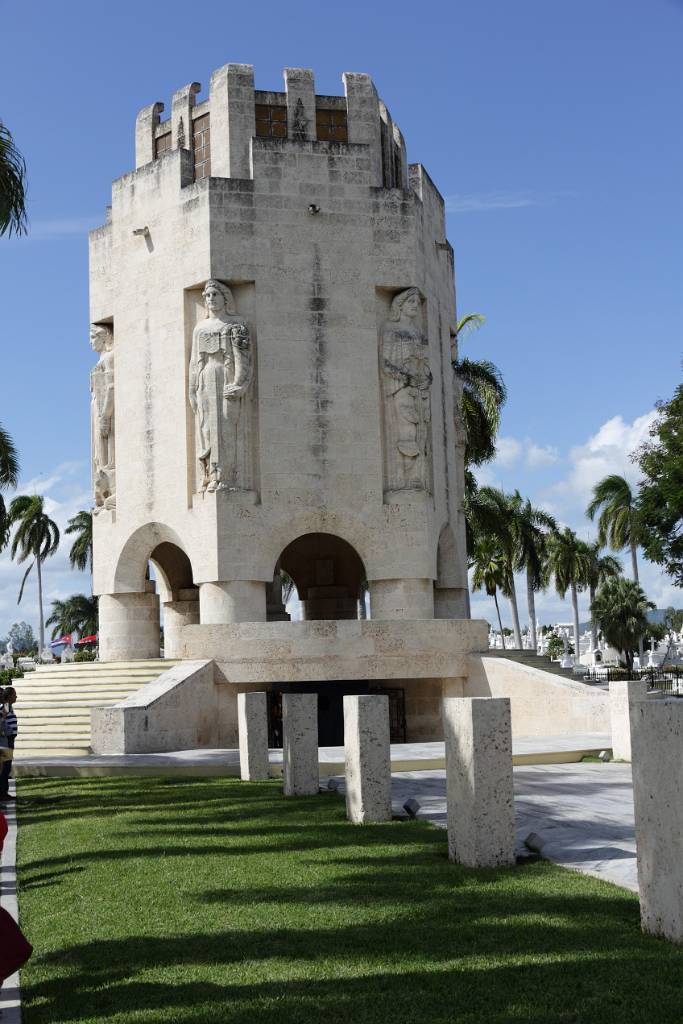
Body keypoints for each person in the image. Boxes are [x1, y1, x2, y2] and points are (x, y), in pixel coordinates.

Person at [0, 688, 17, 804]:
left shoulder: (8, 706)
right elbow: (2, 723)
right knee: (5, 769)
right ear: (9, 696)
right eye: (14, 695)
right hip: (5, 742)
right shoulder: (5, 707)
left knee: (6, 769)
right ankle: (3, 793)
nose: (16, 697)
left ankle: (4, 792)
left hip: (8, 742)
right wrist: (9, 734)